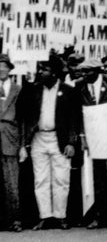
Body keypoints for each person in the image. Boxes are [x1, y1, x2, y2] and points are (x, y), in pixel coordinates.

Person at [20, 55, 79, 230]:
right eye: (40, 69)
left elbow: (74, 120)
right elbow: (24, 113)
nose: (41, 72)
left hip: (58, 140)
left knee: (61, 178)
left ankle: (61, 216)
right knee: (41, 180)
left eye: (44, 69)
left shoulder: (68, 91)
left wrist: (71, 142)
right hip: (38, 139)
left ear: (54, 72)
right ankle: (44, 215)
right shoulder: (34, 90)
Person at [77, 58, 107, 230]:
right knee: (96, 180)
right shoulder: (80, 85)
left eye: (87, 71)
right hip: (93, 139)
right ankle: (98, 217)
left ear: (98, 70)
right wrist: (83, 137)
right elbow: (80, 114)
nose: (84, 74)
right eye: (82, 71)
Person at [0, 54, 23, 232]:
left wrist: (22, 144)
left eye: (4, 66)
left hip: (11, 137)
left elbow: (23, 119)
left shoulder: (18, 89)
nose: (1, 69)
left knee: (12, 182)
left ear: (10, 69)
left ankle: (15, 219)